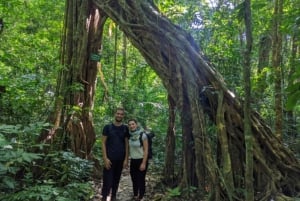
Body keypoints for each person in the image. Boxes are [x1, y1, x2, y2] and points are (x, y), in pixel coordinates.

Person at [101, 107, 130, 201]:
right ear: (115, 114)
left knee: (116, 179)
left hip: (120, 160)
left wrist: (126, 159)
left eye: (121, 114)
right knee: (107, 181)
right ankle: (104, 197)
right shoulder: (108, 127)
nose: (119, 115)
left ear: (123, 116)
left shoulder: (125, 128)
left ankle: (113, 196)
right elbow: (103, 143)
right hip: (109, 159)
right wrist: (105, 158)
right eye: (118, 113)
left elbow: (126, 144)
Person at [128, 119, 149, 201]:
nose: (131, 126)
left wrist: (143, 163)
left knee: (141, 178)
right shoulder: (129, 136)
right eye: (129, 125)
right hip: (133, 160)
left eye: (133, 124)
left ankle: (141, 196)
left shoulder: (143, 135)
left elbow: (146, 150)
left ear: (136, 125)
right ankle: (135, 194)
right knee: (134, 178)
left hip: (142, 160)